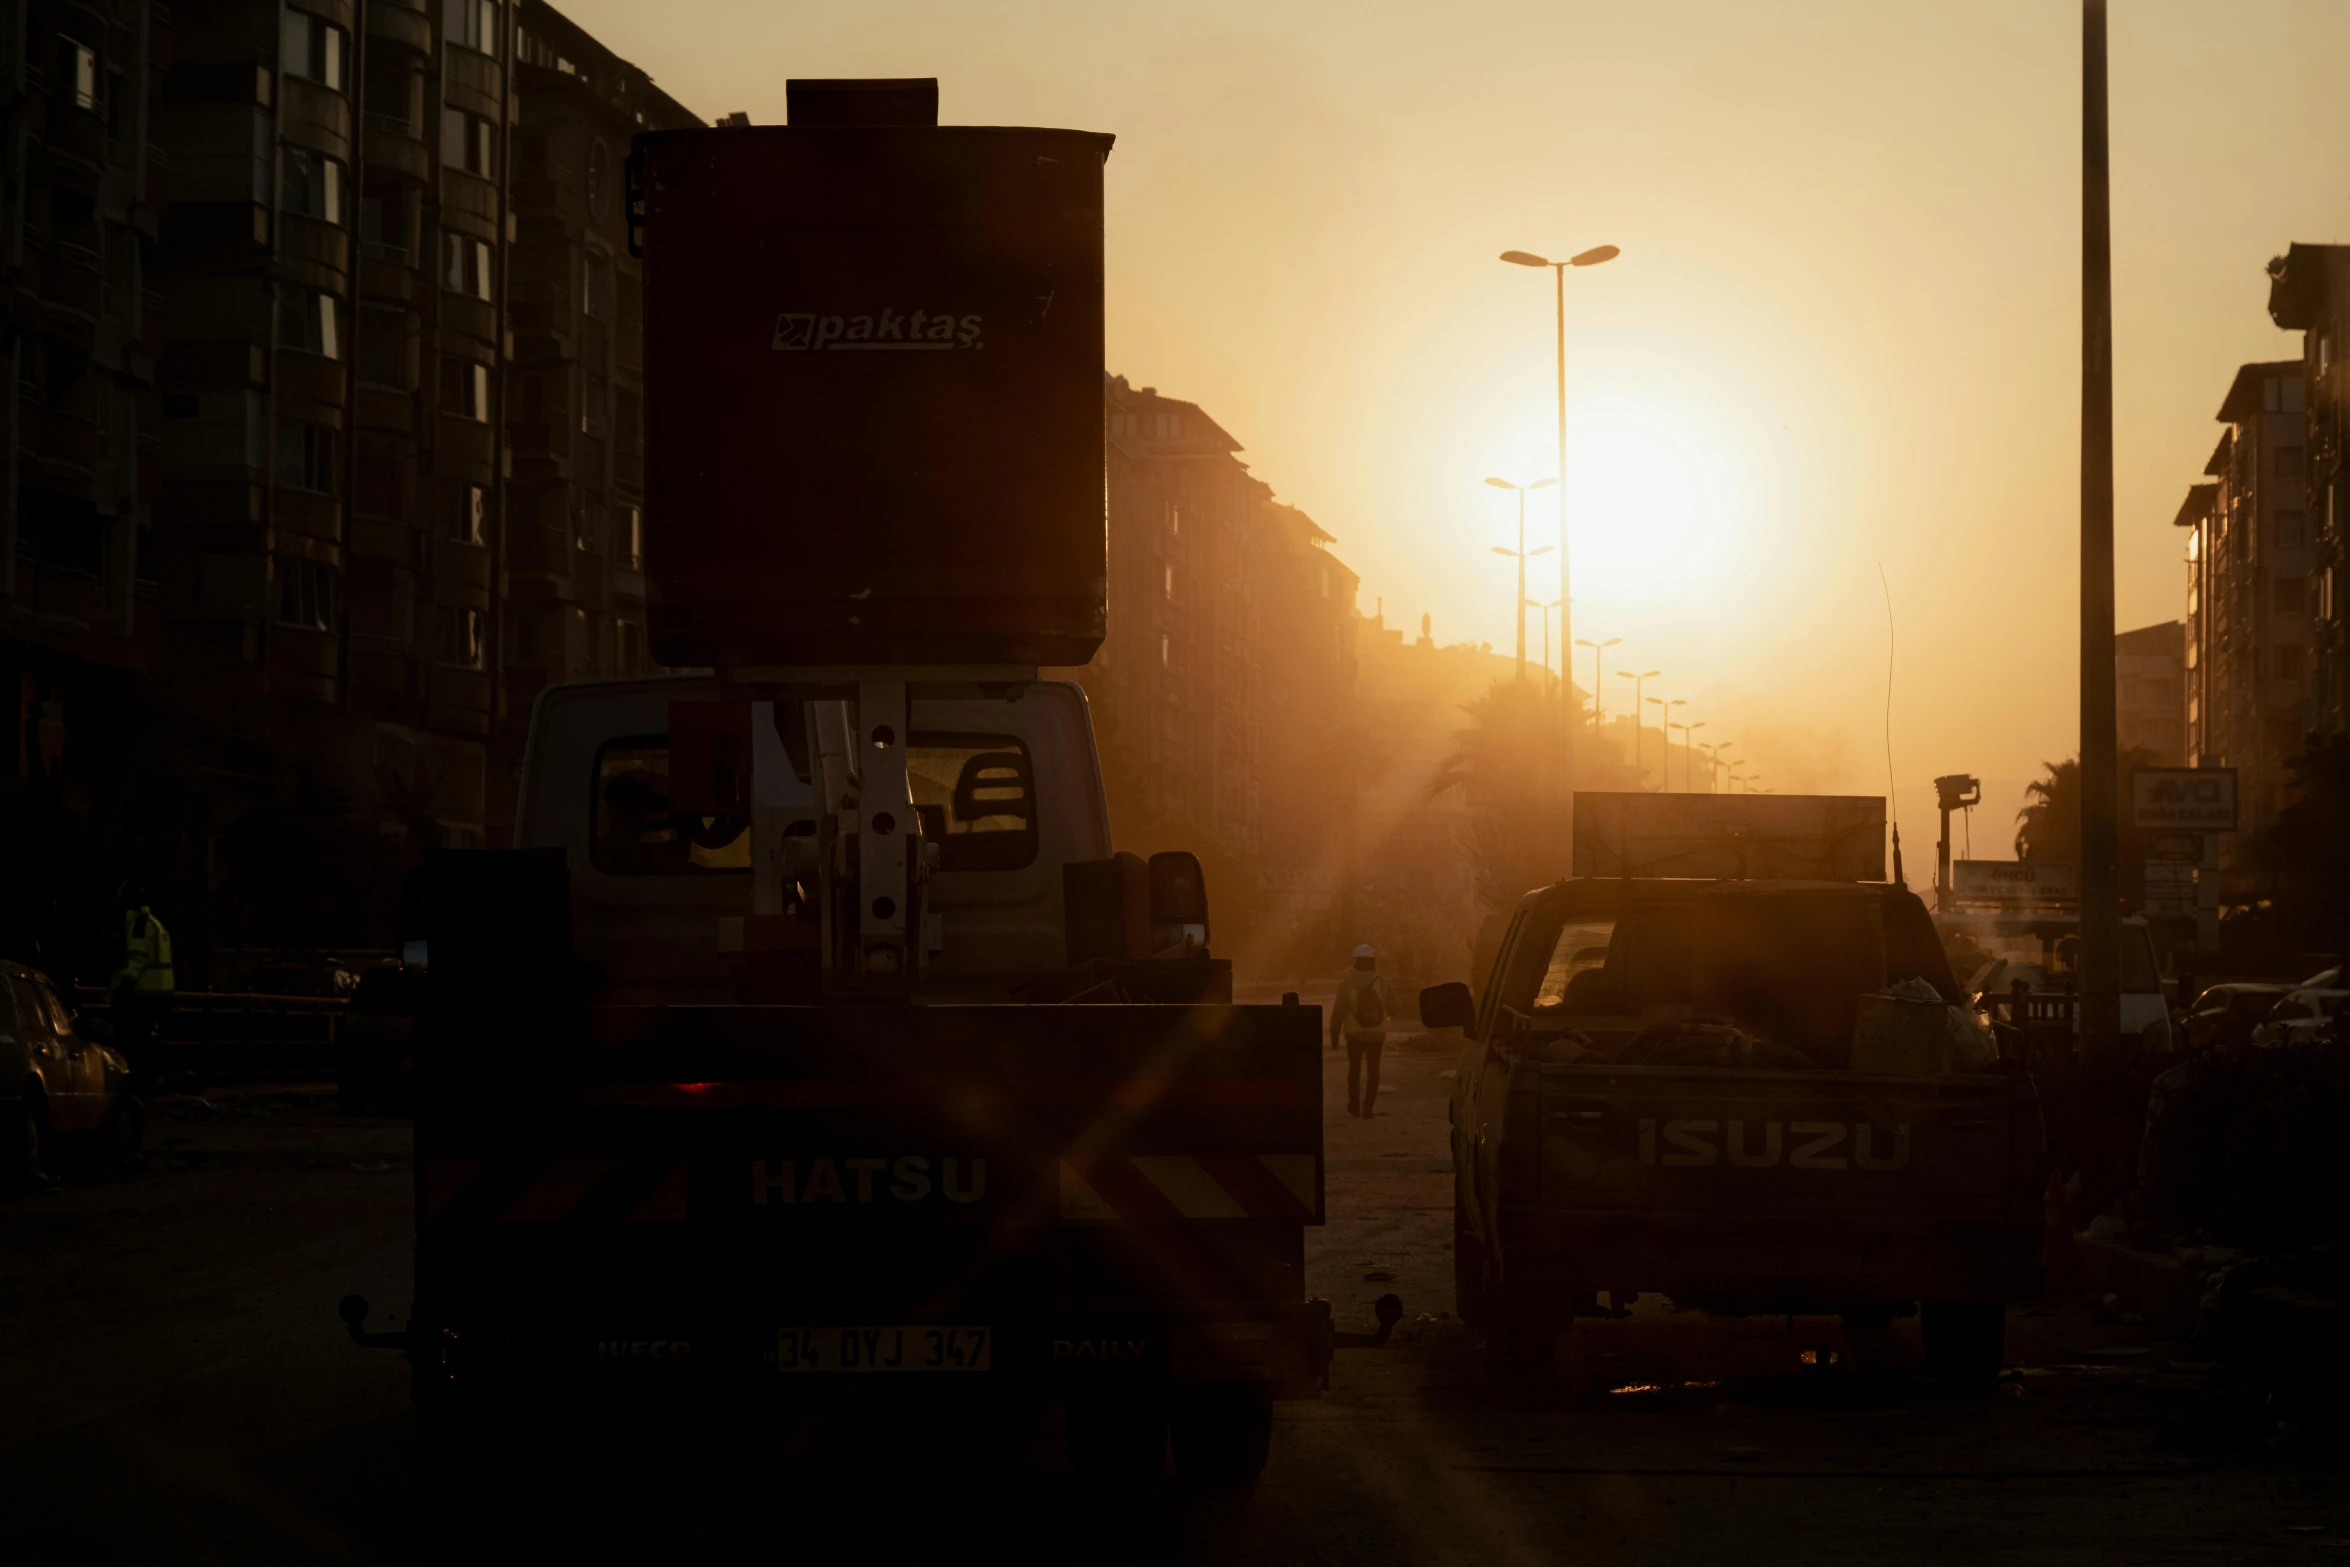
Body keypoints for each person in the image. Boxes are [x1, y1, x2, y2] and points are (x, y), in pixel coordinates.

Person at [108, 884, 175, 1075]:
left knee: (133, 1041)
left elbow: (138, 957)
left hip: (143, 993)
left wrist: (124, 984)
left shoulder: (138, 924)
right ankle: (147, 1081)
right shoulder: (152, 922)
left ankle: (137, 1082)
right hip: (158, 992)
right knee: (146, 1042)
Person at [1331, 944, 1402, 1119]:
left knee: (1354, 1069)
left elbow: (1338, 1011)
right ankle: (1368, 1108)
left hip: (1353, 1033)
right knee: (1373, 1071)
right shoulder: (1383, 982)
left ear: (1355, 961)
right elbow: (1395, 1008)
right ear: (1373, 961)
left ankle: (1354, 1105)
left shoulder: (1346, 983)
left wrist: (1334, 1034)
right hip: (1376, 1033)